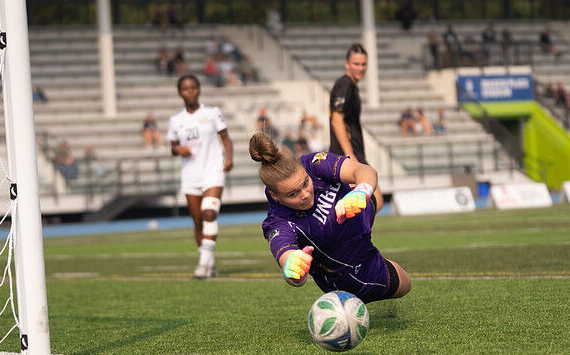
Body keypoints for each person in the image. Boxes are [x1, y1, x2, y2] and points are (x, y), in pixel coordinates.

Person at [249, 132, 411, 303]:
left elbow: (363, 170)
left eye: (305, 183)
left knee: (373, 193)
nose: (305, 194)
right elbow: (286, 256)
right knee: (405, 284)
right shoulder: (277, 222)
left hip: (360, 214)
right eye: (293, 193)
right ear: (275, 196)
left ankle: (353, 152)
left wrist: (361, 191)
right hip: (351, 269)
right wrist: (294, 269)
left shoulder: (313, 164)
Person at [167, 75, 234, 279]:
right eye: (186, 89)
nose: (190, 91)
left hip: (213, 171)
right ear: (180, 93)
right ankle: (210, 264)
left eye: (194, 87)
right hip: (190, 176)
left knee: (209, 214)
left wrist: (229, 158)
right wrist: (179, 149)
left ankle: (203, 263)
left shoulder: (212, 113)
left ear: (199, 89)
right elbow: (172, 148)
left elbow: (225, 137)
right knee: (198, 221)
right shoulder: (176, 120)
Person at [329, 43, 383, 211]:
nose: (361, 68)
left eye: (363, 64)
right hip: (347, 153)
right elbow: (336, 119)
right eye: (356, 64)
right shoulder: (345, 85)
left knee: (368, 202)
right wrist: (349, 154)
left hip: (352, 152)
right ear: (347, 64)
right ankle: (352, 236)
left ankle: (349, 235)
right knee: (373, 200)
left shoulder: (351, 86)